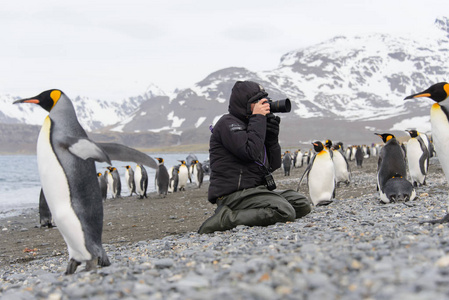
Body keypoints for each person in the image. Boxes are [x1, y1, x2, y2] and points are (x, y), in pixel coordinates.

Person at [198, 81, 312, 234]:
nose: (264, 105)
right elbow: (249, 153)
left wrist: (272, 138)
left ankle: (255, 211)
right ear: (244, 104)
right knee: (285, 211)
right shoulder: (228, 124)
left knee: (301, 203)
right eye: (257, 102)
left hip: (254, 191)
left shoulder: (253, 125)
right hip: (232, 194)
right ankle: (225, 218)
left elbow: (273, 165)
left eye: (264, 101)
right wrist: (258, 118)